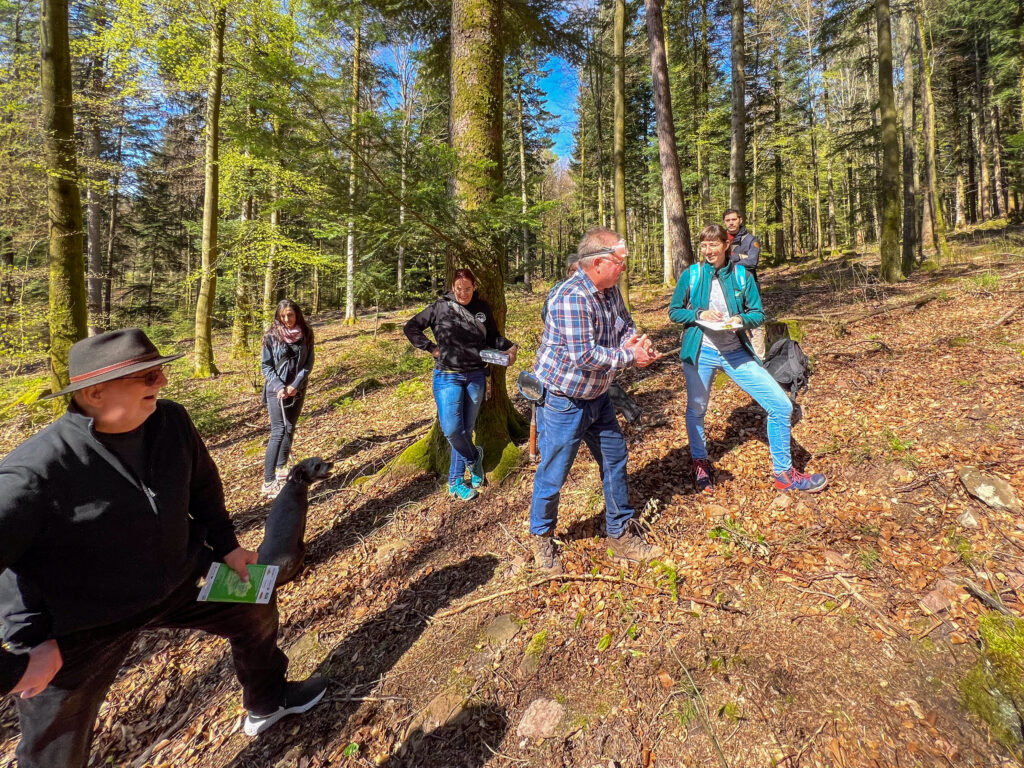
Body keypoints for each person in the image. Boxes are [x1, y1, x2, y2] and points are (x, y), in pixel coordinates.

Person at [0, 328, 327, 768]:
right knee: (53, 752)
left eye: (160, 371)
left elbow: (204, 487)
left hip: (183, 577)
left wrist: (227, 546)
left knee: (256, 603)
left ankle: (268, 700)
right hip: (80, 627)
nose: (163, 383)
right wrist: (19, 659)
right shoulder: (33, 473)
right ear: (95, 392)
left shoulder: (171, 421)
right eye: (148, 376)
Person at [529, 227, 663, 574]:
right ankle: (542, 538)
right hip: (563, 400)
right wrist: (631, 358)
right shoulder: (572, 297)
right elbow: (584, 356)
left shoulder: (609, 289)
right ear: (599, 262)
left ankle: (620, 534)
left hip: (598, 395)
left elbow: (623, 324)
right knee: (554, 472)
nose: (624, 267)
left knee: (615, 457)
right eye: (620, 261)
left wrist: (638, 342)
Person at [668, 224, 828, 494]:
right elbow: (674, 312)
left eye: (714, 245)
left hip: (735, 352)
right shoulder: (692, 275)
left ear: (725, 245)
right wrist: (698, 314)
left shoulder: (742, 276)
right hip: (700, 353)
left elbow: (758, 314)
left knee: (780, 405)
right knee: (697, 410)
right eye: (704, 246)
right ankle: (701, 463)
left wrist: (739, 319)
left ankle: (784, 475)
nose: (708, 251)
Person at [404, 268, 518, 501]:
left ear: (474, 287)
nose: (463, 293)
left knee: (466, 429)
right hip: (447, 376)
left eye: (467, 289)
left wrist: (510, 346)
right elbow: (411, 327)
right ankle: (474, 459)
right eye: (459, 289)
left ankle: (455, 482)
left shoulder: (482, 309)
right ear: (452, 287)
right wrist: (431, 348)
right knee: (452, 429)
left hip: (476, 375)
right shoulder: (439, 308)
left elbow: (493, 337)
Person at [542, 252, 642, 424]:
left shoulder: (606, 291)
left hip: (601, 369)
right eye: (574, 271)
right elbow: (548, 317)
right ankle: (632, 413)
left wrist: (626, 341)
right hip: (570, 378)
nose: (579, 275)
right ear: (569, 272)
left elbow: (623, 321)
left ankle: (633, 414)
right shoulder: (562, 293)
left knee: (608, 387)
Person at [261, 299, 315, 498]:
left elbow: (308, 363)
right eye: (283, 316)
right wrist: (280, 386)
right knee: (278, 430)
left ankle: (281, 468)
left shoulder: (306, 333)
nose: (286, 319)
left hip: (297, 389)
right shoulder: (270, 337)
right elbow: (266, 366)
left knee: (290, 427)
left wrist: (295, 384)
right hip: (276, 390)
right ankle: (268, 481)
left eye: (290, 315)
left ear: (297, 314)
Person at [723, 208, 766, 358]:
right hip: (728, 286)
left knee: (755, 323)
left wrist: (731, 258)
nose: (731, 223)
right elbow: (719, 262)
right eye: (728, 220)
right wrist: (740, 256)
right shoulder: (722, 240)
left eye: (734, 219)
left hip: (749, 285)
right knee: (732, 320)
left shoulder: (750, 240)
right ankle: (738, 357)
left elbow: (752, 262)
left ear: (740, 220)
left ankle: (760, 359)